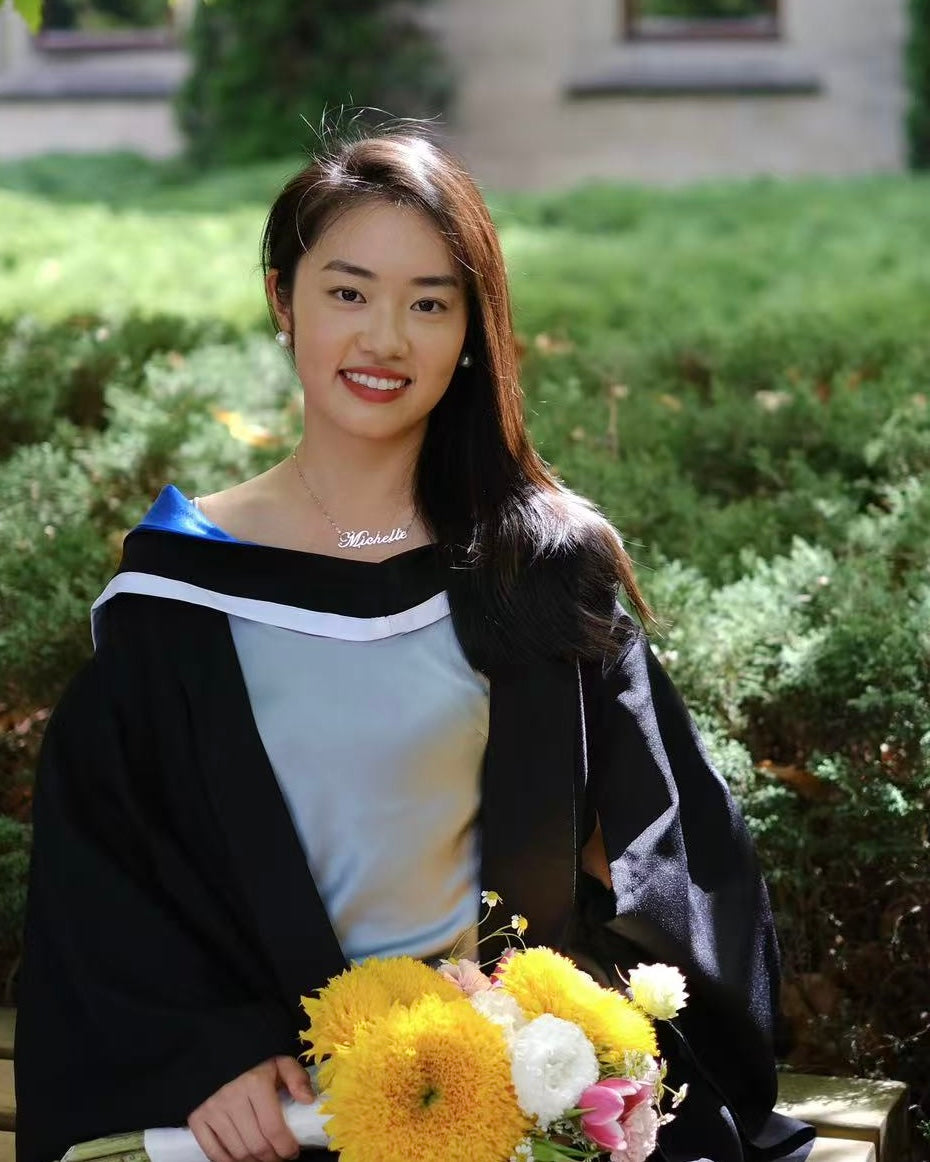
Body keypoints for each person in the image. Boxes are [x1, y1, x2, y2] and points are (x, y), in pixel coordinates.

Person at [14, 126, 815, 1162]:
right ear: (281, 300)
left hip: (506, 1102)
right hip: (285, 1108)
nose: (385, 338)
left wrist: (573, 1035)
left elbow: (675, 848)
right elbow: (105, 884)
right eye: (348, 293)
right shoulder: (179, 589)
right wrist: (206, 1053)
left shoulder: (534, 565)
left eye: (430, 303)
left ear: (473, 330)